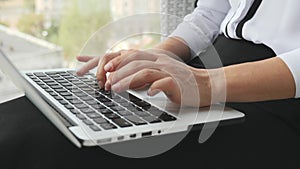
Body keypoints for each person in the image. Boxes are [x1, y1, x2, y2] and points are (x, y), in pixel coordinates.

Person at [76, 0, 300, 107]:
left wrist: (207, 85)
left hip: (278, 89)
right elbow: (212, 11)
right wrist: (159, 57)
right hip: (211, 68)